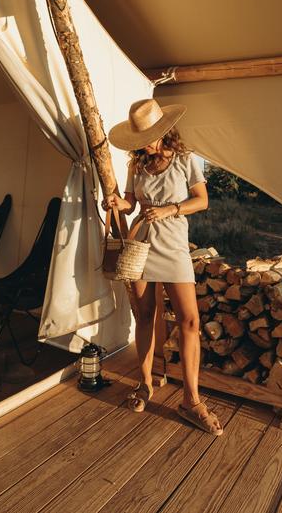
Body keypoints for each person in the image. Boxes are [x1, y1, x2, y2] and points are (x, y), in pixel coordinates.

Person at [102, 98, 224, 436]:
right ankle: (144, 385)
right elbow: (130, 204)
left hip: (173, 246)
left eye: (151, 136)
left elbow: (202, 200)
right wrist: (116, 202)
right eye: (141, 139)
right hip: (141, 246)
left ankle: (191, 400)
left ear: (164, 131)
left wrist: (170, 210)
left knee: (189, 319)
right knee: (144, 315)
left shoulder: (185, 159)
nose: (146, 144)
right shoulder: (136, 164)